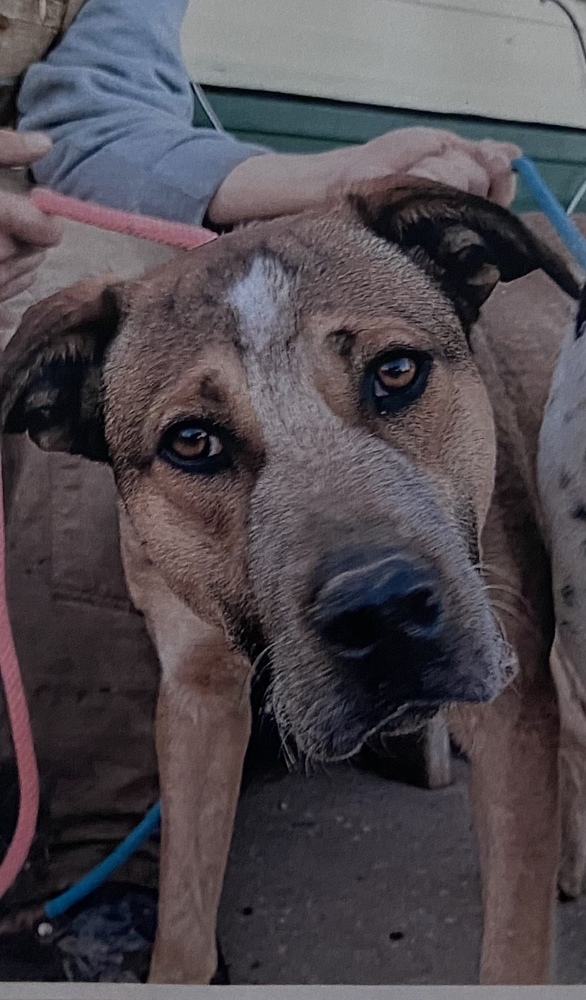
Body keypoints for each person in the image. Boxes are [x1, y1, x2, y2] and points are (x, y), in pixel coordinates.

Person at [0, 0, 521, 983]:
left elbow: (105, 120)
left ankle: (113, 852)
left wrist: (330, 176)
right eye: (201, 440)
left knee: (90, 308)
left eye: (394, 378)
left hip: (62, 210)